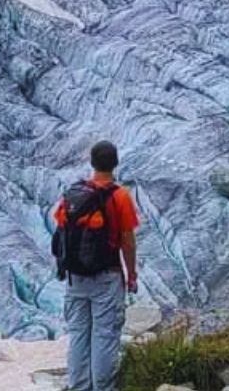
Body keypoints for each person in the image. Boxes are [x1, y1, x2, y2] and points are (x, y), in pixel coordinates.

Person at [52, 140, 139, 391]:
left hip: (75, 278)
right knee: (104, 336)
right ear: (115, 163)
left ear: (92, 163)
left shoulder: (73, 196)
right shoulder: (119, 196)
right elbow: (127, 242)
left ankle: (79, 387)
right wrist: (131, 275)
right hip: (107, 278)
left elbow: (60, 232)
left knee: (78, 334)